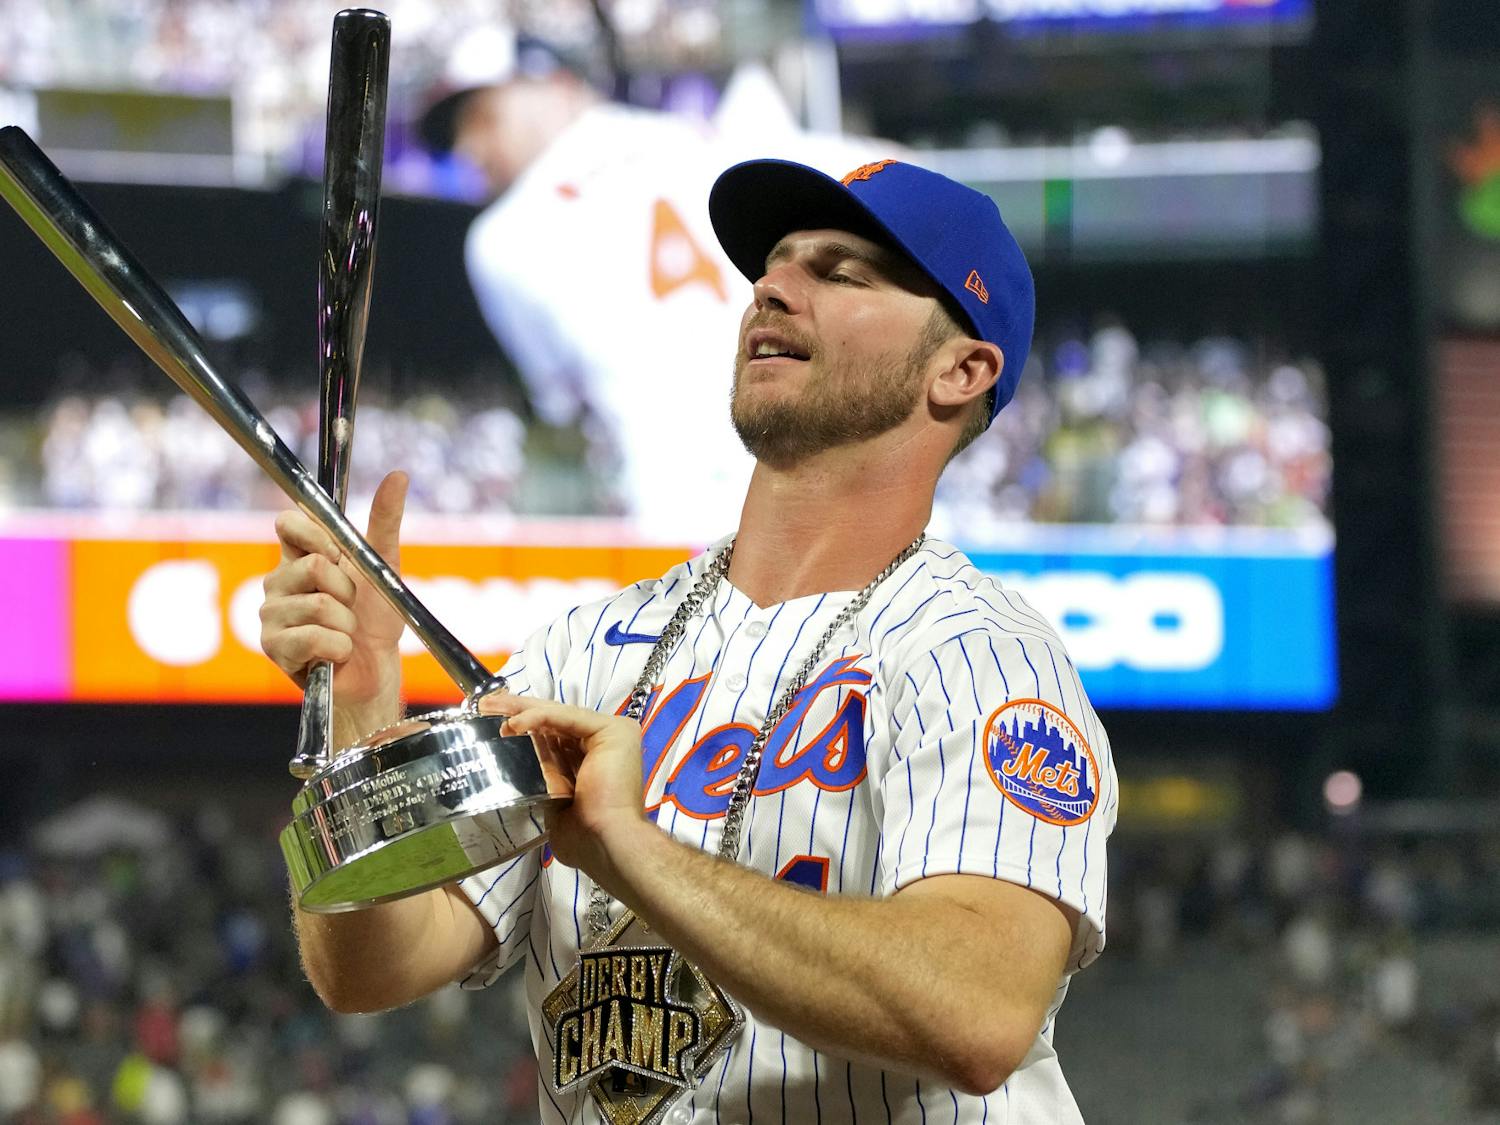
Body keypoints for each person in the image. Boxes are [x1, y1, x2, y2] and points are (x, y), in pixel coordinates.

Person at [260, 156, 1118, 1122]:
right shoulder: (584, 648)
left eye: (841, 273)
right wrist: (357, 711)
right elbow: (374, 963)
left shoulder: (981, 657)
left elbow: (980, 1010)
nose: (771, 287)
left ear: (960, 370)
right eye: (775, 264)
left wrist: (632, 849)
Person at [419, 29, 892, 540]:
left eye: (484, 116)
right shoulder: (713, 139)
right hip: (843, 479)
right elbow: (891, 179)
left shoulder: (503, 237)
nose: (468, 148)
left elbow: (562, 409)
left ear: (560, 87)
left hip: (683, 511)